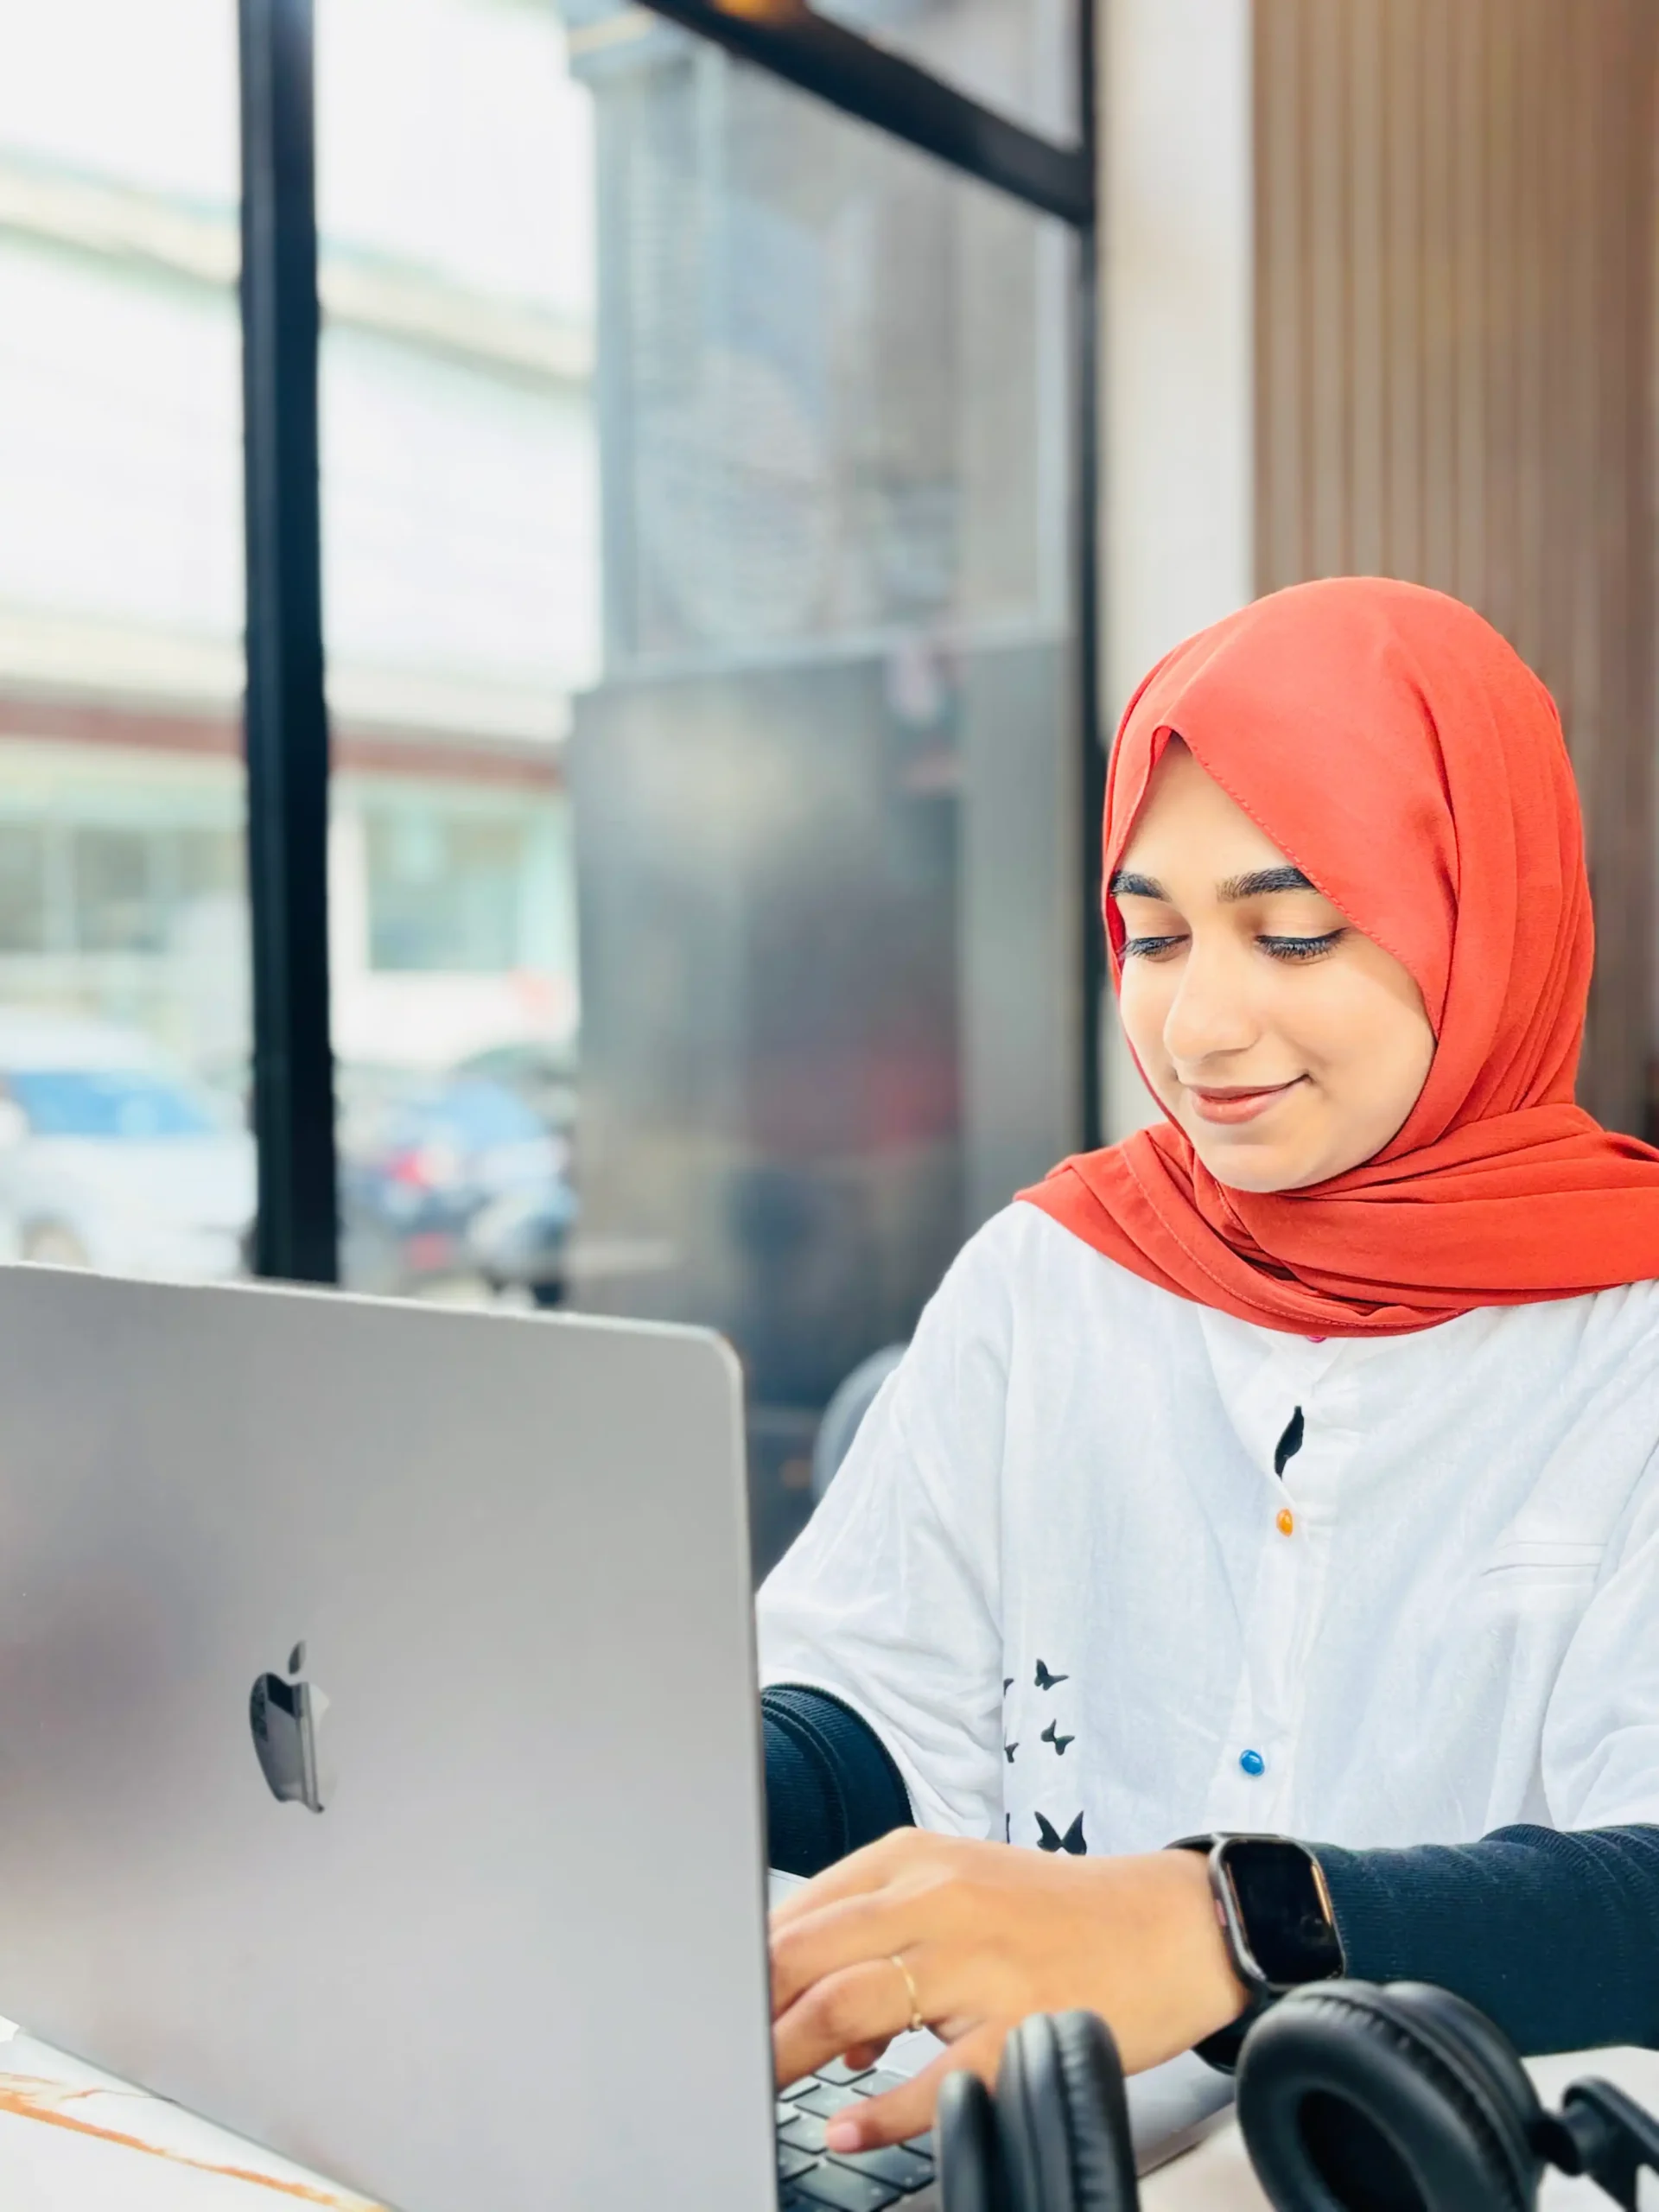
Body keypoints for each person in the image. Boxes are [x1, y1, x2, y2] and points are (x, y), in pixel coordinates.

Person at [757, 577, 1659, 2158]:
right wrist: (651, 1770)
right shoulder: (1057, 1274)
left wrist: (1236, 1926)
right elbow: (884, 1701)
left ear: (1482, 916)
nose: (1199, 1028)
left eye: (1293, 932)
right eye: (1154, 936)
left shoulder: (1629, 1332)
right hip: (1013, 2148)